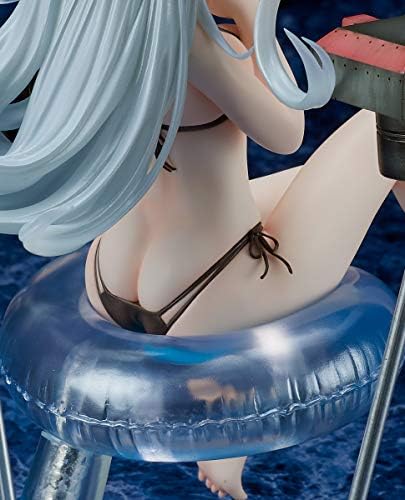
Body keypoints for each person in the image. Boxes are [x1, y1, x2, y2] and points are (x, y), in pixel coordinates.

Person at [0, 1, 403, 498]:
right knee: (388, 117)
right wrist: (252, 22)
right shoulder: (204, 46)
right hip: (211, 290)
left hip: (109, 275)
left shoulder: (94, 30)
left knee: (319, 183)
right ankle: (229, 441)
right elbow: (285, 133)